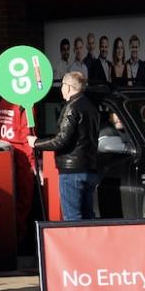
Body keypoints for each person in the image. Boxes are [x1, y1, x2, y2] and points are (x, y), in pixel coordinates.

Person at [36, 71, 106, 220]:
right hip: (90, 169)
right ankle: (89, 243)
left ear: (68, 87)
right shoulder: (92, 108)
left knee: (72, 218)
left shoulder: (71, 107)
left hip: (71, 170)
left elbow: (61, 139)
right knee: (88, 216)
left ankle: (76, 244)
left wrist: (35, 143)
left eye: (62, 85)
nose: (61, 89)